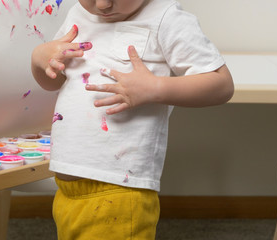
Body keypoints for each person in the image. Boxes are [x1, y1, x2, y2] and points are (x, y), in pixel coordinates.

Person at [31, 0, 234, 239]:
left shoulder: (166, 18)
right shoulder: (78, 14)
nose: (102, 4)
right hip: (67, 186)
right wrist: (38, 59)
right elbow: (54, 81)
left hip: (119, 189)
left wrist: (155, 88)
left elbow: (221, 84)